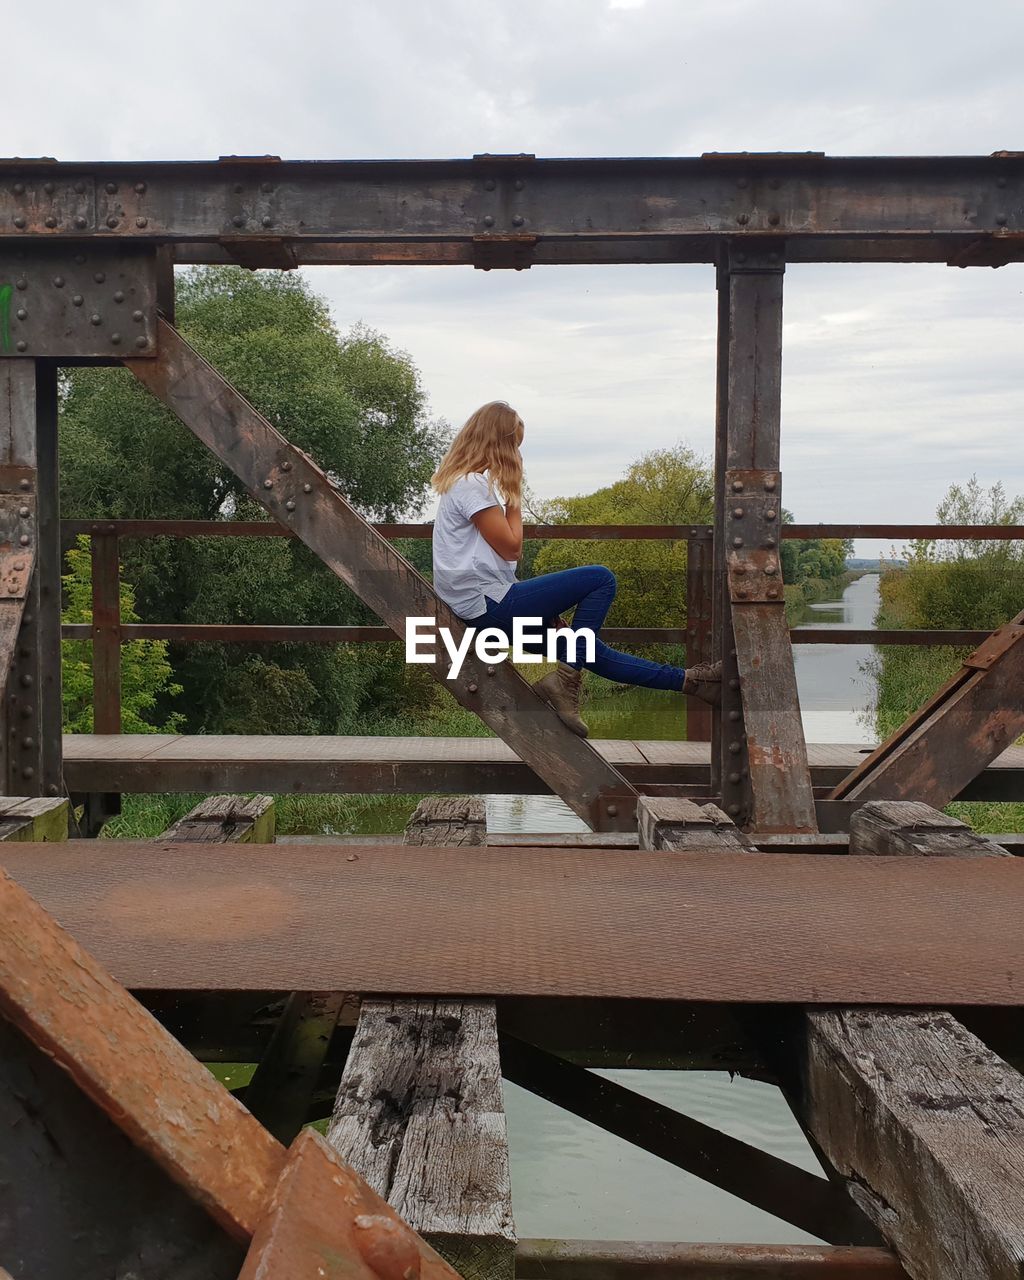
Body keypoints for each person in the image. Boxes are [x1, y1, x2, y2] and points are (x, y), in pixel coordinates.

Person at [430, 401, 721, 738]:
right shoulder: (471, 484)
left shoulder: (466, 484)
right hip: (488, 607)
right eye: (514, 446)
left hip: (485, 608)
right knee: (600, 579)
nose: (516, 456)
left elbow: (487, 566)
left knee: (587, 649)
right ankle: (565, 679)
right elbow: (512, 546)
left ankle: (693, 682)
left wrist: (544, 611)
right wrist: (515, 495)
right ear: (499, 444)